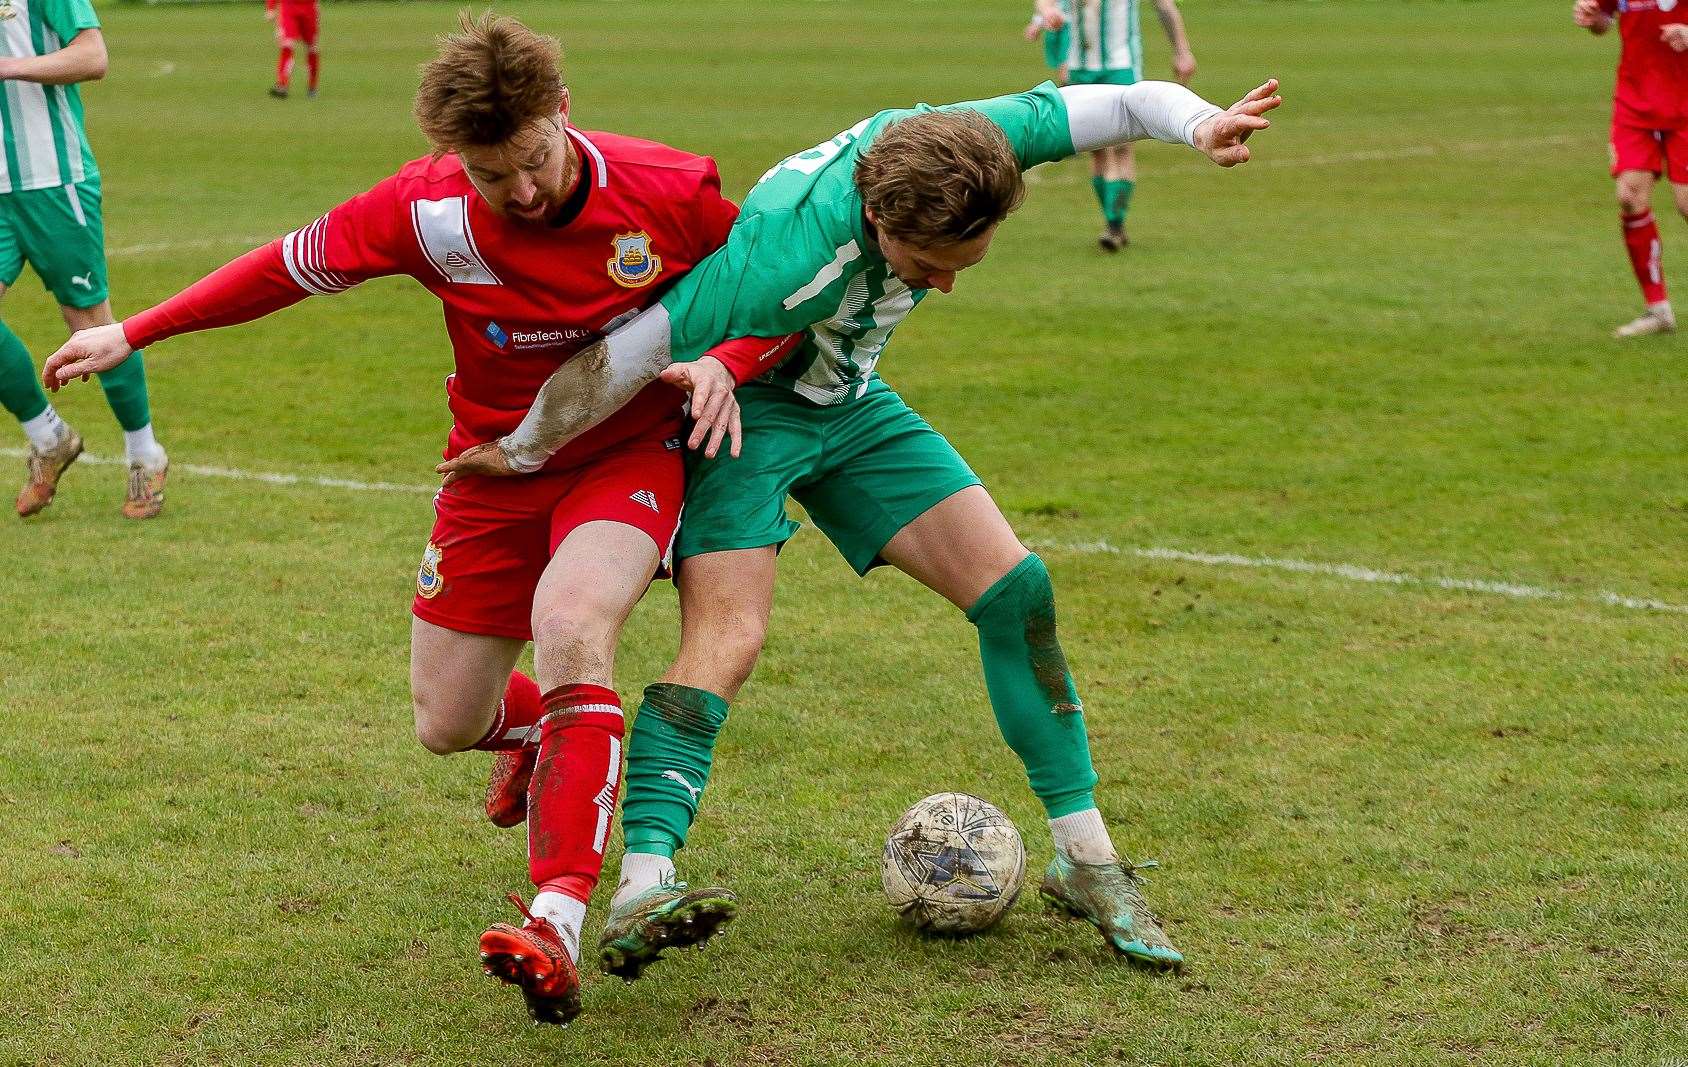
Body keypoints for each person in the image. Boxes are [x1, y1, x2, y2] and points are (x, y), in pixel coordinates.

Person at [438, 74, 1281, 978]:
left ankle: (1087, 859)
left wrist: (1198, 125)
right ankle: (645, 882)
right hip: (748, 421)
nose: (946, 285)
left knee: (1016, 592)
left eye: (969, 258)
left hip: (851, 403)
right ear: (877, 225)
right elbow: (628, 354)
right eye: (928, 267)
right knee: (728, 639)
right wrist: (524, 450)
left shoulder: (958, 147)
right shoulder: (781, 256)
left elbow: (1118, 102)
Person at [44, 13, 792, 1026]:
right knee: (447, 719)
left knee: (574, 624)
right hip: (488, 471)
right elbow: (281, 268)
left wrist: (725, 362)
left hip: (625, 454)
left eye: (532, 161)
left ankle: (559, 916)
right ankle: (543, 735)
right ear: (454, 159)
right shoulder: (424, 208)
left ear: (563, 114)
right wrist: (134, 330)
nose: (520, 192)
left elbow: (775, 291)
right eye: (493, 175)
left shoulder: (666, 188)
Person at [0, 0, 168, 519]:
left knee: (90, 323)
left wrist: (8, 68)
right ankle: (48, 437)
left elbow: (92, 56)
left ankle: (146, 454)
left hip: (54, 182)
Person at [1036, 0, 1196, 251]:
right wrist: (1045, 12)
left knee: (1122, 147)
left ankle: (1114, 225)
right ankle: (1113, 222)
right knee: (1097, 151)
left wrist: (1182, 51)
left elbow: (1164, 6)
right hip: (1081, 70)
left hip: (1121, 68)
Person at [1574, 0, 1688, 338]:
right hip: (1635, 103)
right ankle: (1658, 310)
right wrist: (1593, 19)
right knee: (1629, 196)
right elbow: (1604, 19)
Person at [266, 0, 321, 99]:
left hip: (309, 8)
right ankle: (282, 84)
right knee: (287, 44)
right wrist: (271, 7)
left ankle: (312, 86)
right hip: (288, 7)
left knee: (312, 48)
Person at [1024, 1, 1070, 85]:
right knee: (1063, 71)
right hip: (1059, 27)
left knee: (1067, 71)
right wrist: (1037, 22)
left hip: (1076, 27)